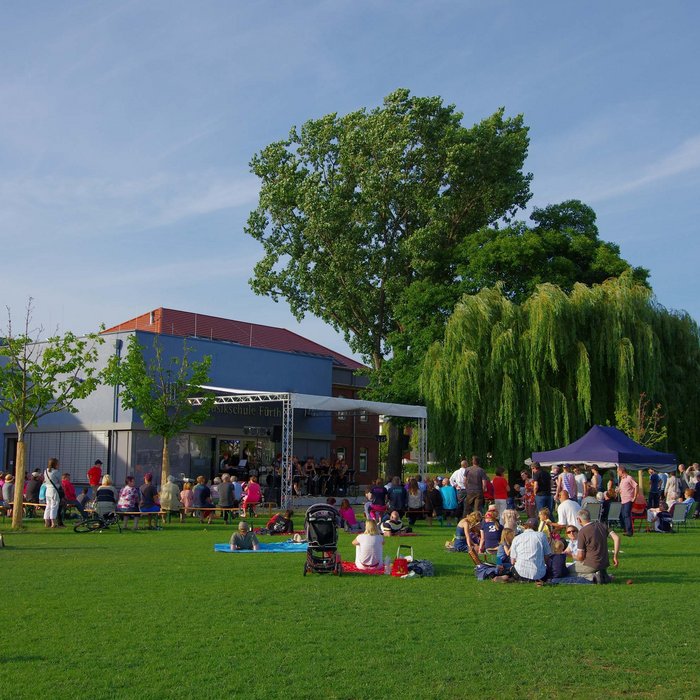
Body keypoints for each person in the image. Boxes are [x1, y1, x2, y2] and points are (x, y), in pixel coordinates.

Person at [569, 508, 620, 582]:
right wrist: (615, 556)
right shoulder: (602, 525)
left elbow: (580, 557)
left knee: (567, 571)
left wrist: (571, 555)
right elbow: (617, 538)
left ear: (579, 520)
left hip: (591, 564)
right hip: (604, 563)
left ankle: (593, 577)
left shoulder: (582, 532)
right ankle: (604, 575)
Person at [494, 518, 551, 583]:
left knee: (511, 570)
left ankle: (510, 578)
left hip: (520, 572)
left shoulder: (517, 538)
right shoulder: (541, 536)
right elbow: (547, 556)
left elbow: (513, 561)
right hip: (539, 575)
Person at [617, 466, 638, 537]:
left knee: (626, 515)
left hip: (628, 499)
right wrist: (618, 490)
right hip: (623, 500)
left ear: (621, 471)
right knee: (622, 515)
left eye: (618, 471)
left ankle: (629, 531)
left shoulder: (629, 478)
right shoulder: (622, 479)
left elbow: (636, 486)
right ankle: (626, 529)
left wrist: (634, 497)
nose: (618, 473)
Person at [43, 458, 63, 528]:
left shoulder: (45, 471)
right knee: (54, 506)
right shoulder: (56, 472)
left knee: (48, 506)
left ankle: (46, 522)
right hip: (54, 489)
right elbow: (60, 482)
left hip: (47, 489)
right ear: (55, 464)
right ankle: (53, 523)